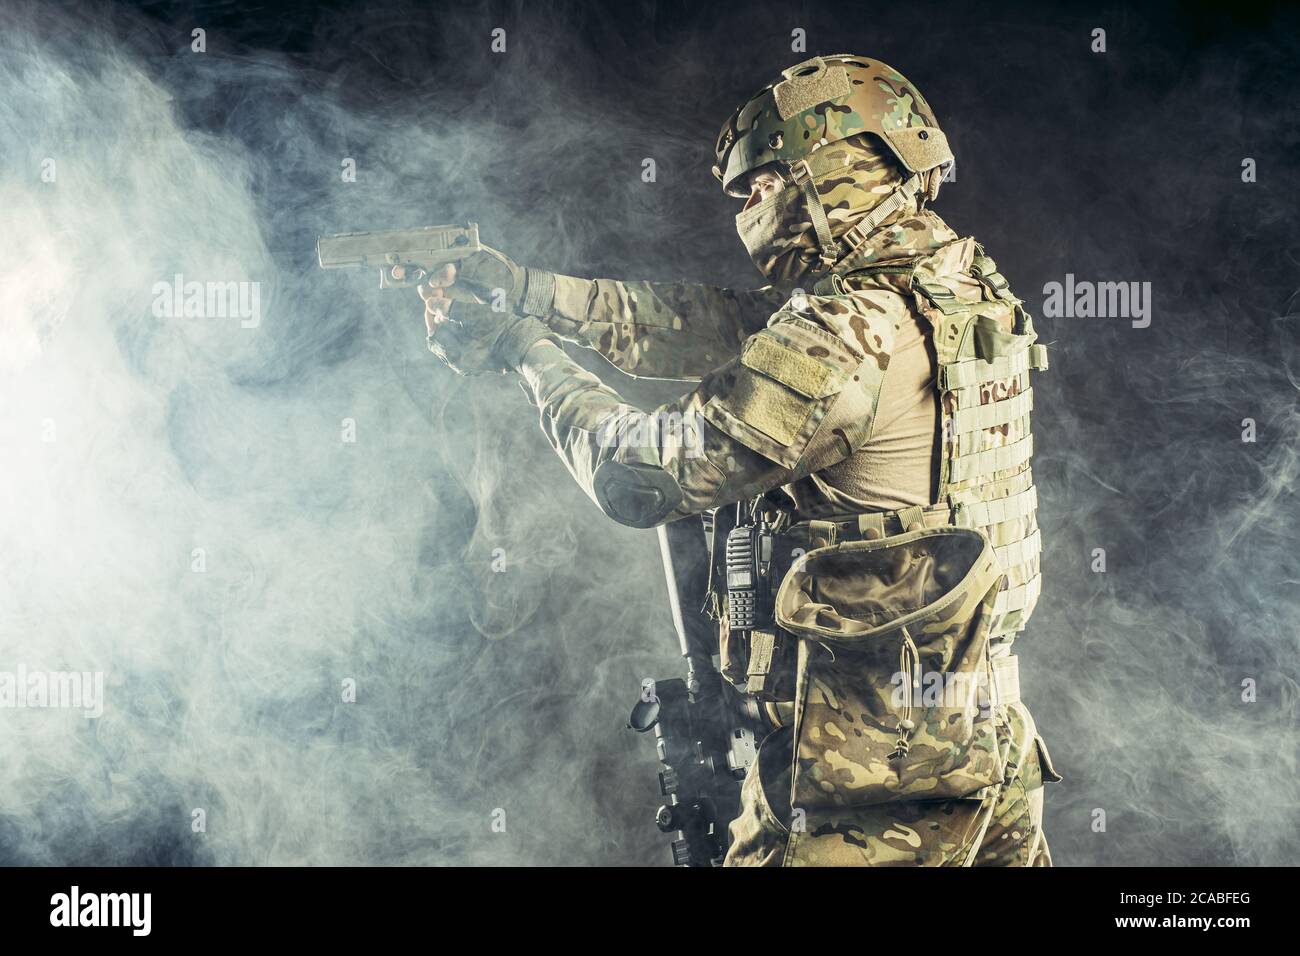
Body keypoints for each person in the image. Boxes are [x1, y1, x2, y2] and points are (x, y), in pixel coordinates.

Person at [419, 54, 1059, 866]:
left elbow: (641, 476)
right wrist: (527, 291)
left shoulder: (844, 331)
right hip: (984, 740)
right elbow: (712, 324)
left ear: (834, 171)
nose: (748, 205)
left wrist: (521, 350)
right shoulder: (955, 289)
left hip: (865, 785)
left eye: (764, 181)